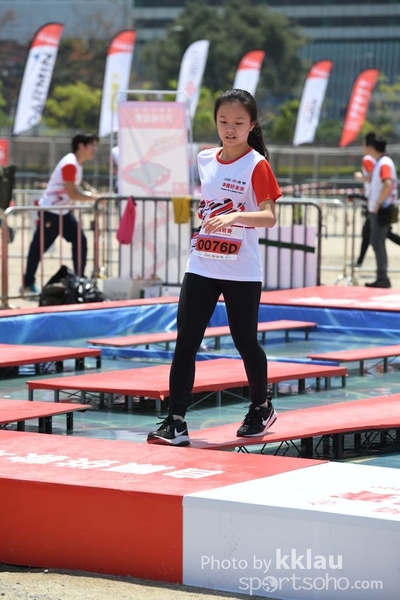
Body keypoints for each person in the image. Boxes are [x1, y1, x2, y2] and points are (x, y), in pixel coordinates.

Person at [147, 88, 281, 447]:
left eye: (238, 122)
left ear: (252, 125)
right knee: (186, 341)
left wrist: (235, 216)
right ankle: (176, 421)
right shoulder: (205, 158)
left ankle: (261, 407)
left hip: (241, 269)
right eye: (223, 121)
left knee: (245, 341)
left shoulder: (257, 165)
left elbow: (269, 217)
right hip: (202, 262)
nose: (230, 129)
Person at [21, 133, 100, 295]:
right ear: (81, 146)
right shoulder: (70, 164)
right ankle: (28, 283)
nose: (95, 149)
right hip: (51, 212)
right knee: (38, 247)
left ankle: (79, 279)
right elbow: (73, 193)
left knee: (80, 241)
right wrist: (95, 198)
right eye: (92, 145)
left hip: (63, 212)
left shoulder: (77, 164)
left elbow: (71, 192)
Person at [363, 132, 398, 288]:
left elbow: (387, 183)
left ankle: (382, 277)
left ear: (371, 147)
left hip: (382, 210)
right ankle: (382, 276)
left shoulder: (384, 163)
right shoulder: (381, 162)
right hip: (380, 209)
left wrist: (377, 203)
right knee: (377, 242)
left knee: (377, 242)